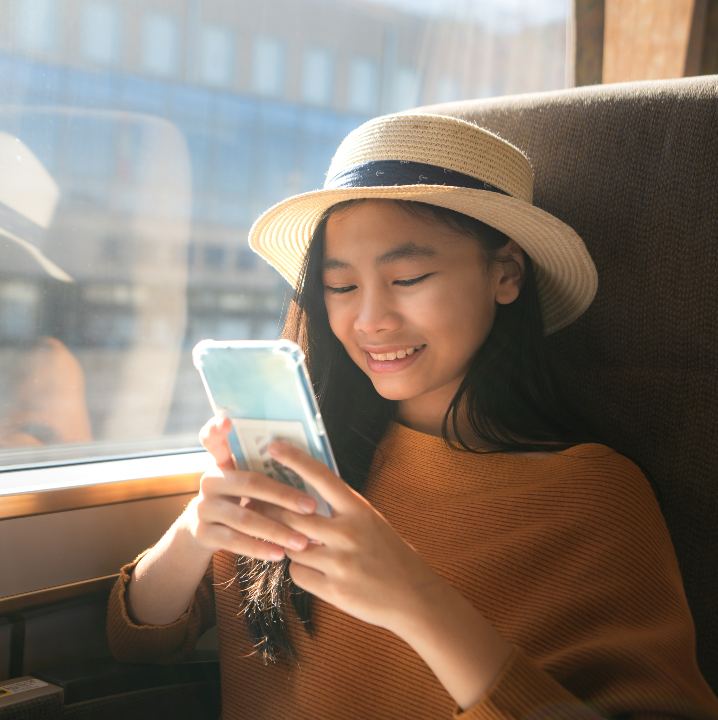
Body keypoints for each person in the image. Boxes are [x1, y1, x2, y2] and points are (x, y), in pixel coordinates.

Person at [106, 113, 718, 719]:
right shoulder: (314, 458)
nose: (370, 320)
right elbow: (138, 639)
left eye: (408, 277)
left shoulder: (589, 494)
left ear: (504, 273)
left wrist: (414, 598)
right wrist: (196, 530)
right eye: (340, 287)